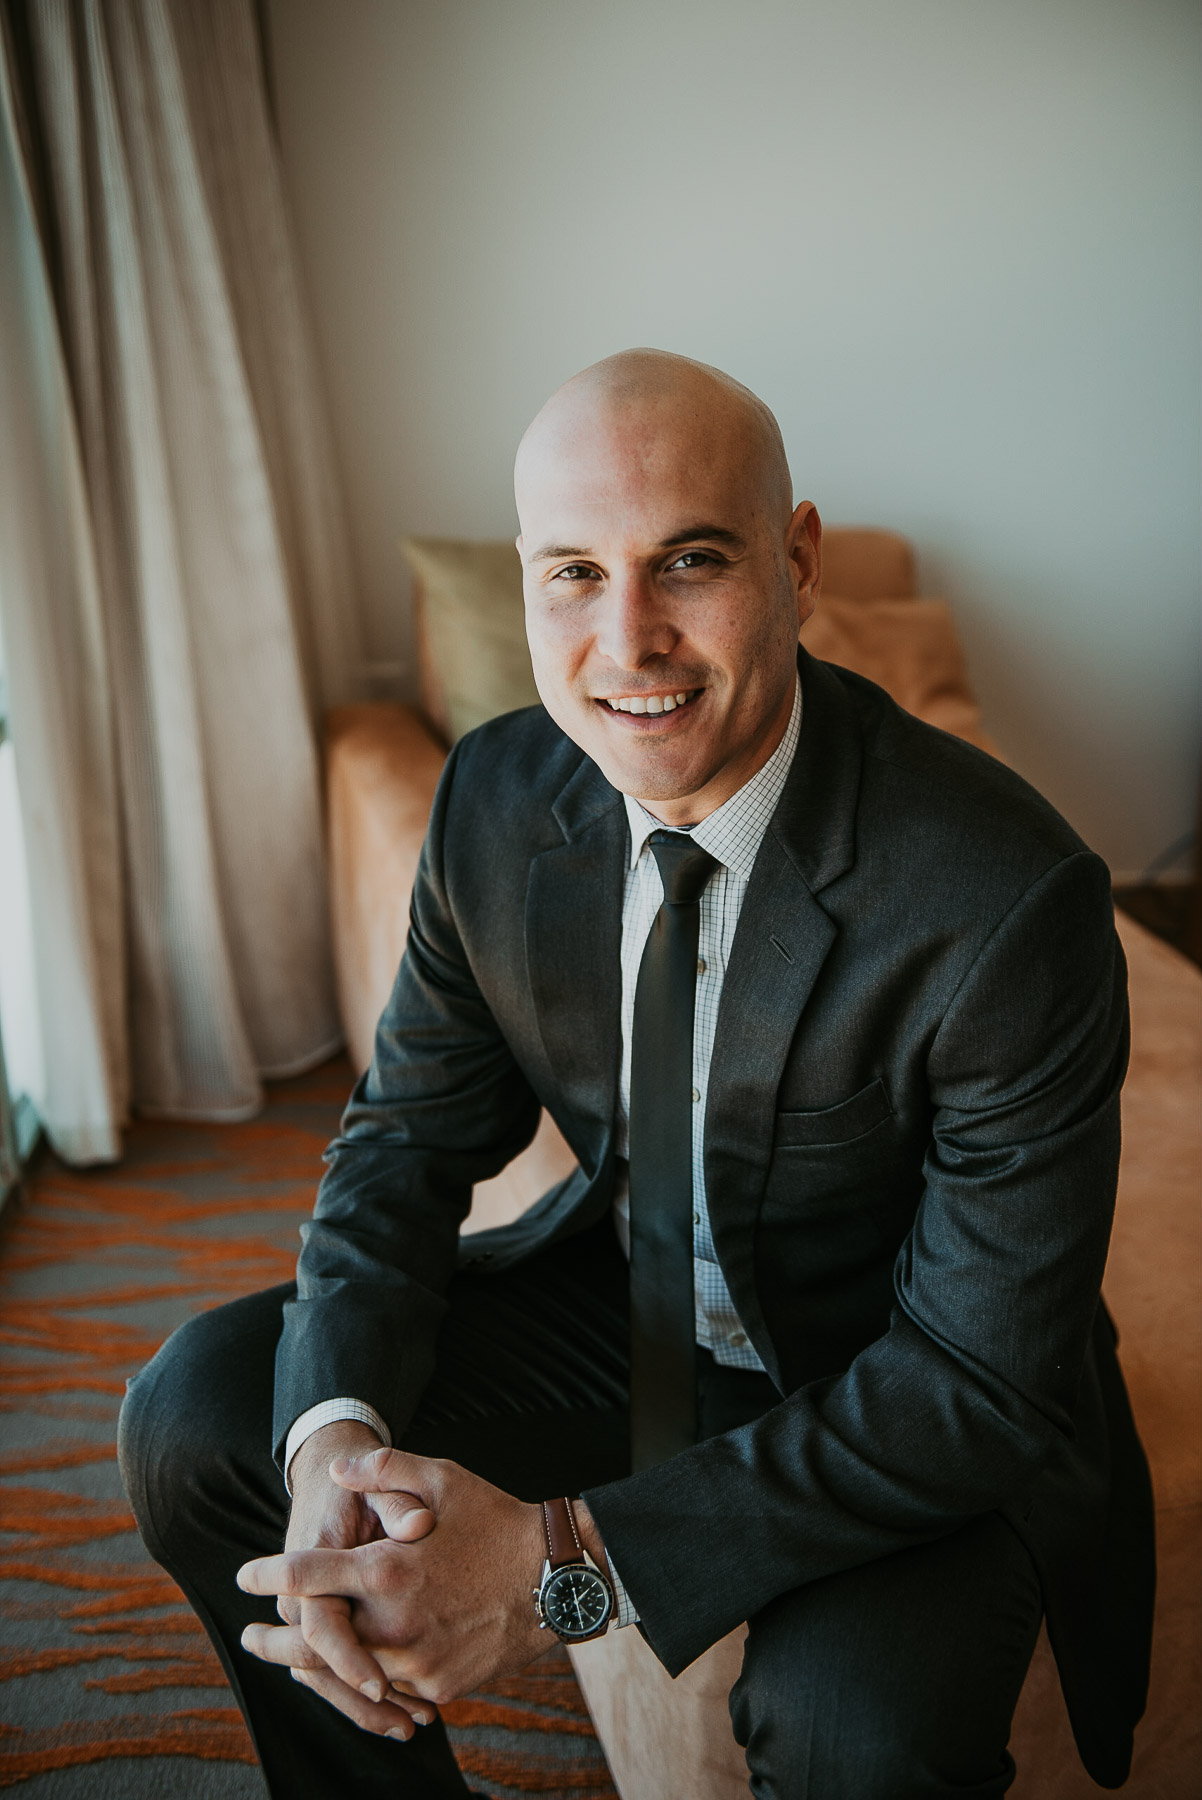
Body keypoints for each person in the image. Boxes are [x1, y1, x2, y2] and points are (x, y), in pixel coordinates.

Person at [119, 350, 1154, 1800]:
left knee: (863, 1738)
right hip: (635, 1310)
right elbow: (404, 1144)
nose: (628, 642)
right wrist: (336, 1448)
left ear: (794, 561)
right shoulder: (496, 794)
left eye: (689, 561)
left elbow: (974, 1382)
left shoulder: (1000, 898)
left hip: (889, 1382)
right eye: (571, 575)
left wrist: (558, 1574)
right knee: (203, 1415)